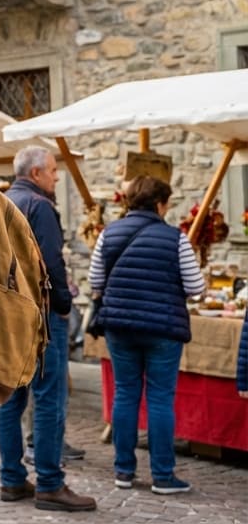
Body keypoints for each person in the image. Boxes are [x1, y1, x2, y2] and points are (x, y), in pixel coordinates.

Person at [89, 174, 204, 495]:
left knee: (125, 394)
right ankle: (163, 475)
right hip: (163, 328)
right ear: (159, 203)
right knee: (160, 399)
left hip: (119, 326)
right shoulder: (175, 238)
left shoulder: (108, 234)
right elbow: (196, 287)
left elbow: (95, 281)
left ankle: (123, 471)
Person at [0, 147, 96, 511]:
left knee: (10, 398)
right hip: (40, 315)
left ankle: (11, 478)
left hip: (7, 314)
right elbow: (52, 263)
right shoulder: (40, 207)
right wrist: (66, 306)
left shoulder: (1, 203)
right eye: (53, 170)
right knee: (49, 398)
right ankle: (50, 483)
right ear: (36, 173)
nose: (57, 177)